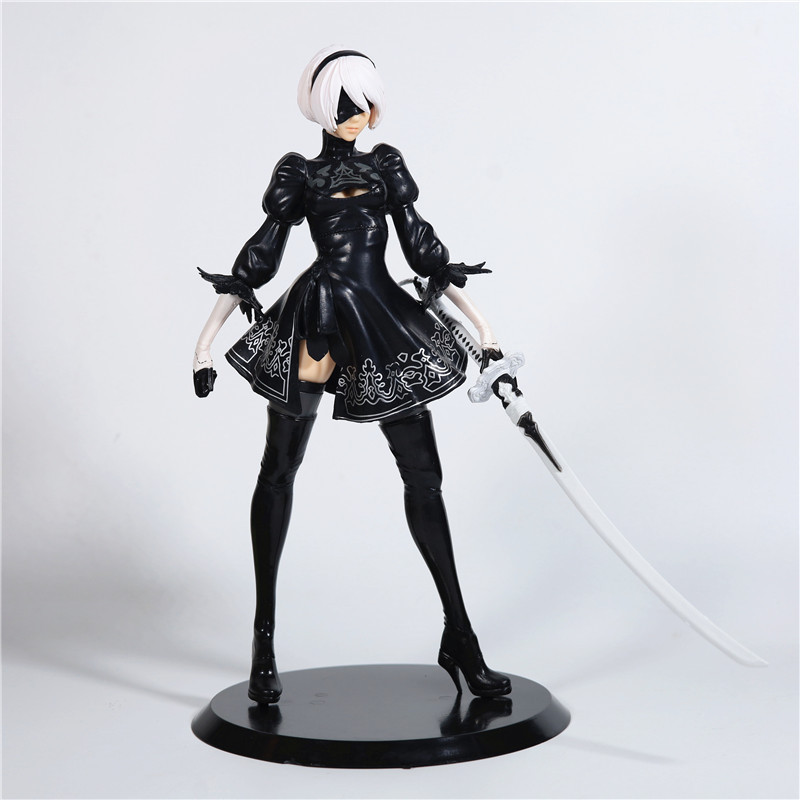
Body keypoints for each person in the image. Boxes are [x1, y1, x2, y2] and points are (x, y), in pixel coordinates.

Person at [193, 45, 511, 704]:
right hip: (317, 316)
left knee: (424, 475)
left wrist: (484, 328)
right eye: (343, 104)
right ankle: (263, 639)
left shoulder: (385, 165)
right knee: (279, 468)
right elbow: (259, 256)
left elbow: (423, 249)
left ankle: (460, 637)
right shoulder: (300, 174)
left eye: (364, 102)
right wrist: (204, 344)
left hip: (380, 314)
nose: (356, 114)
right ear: (319, 105)